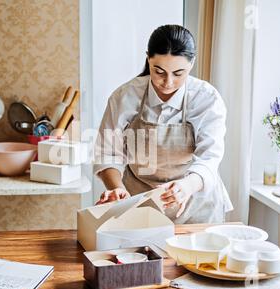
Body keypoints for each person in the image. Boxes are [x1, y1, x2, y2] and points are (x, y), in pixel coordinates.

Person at [93, 25, 233, 224]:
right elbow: (108, 153)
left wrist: (187, 186)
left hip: (195, 203)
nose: (168, 82)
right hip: (137, 201)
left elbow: (209, 158)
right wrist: (117, 188)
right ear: (148, 59)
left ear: (191, 63)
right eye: (159, 72)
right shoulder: (125, 97)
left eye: (178, 73)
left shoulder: (206, 98)